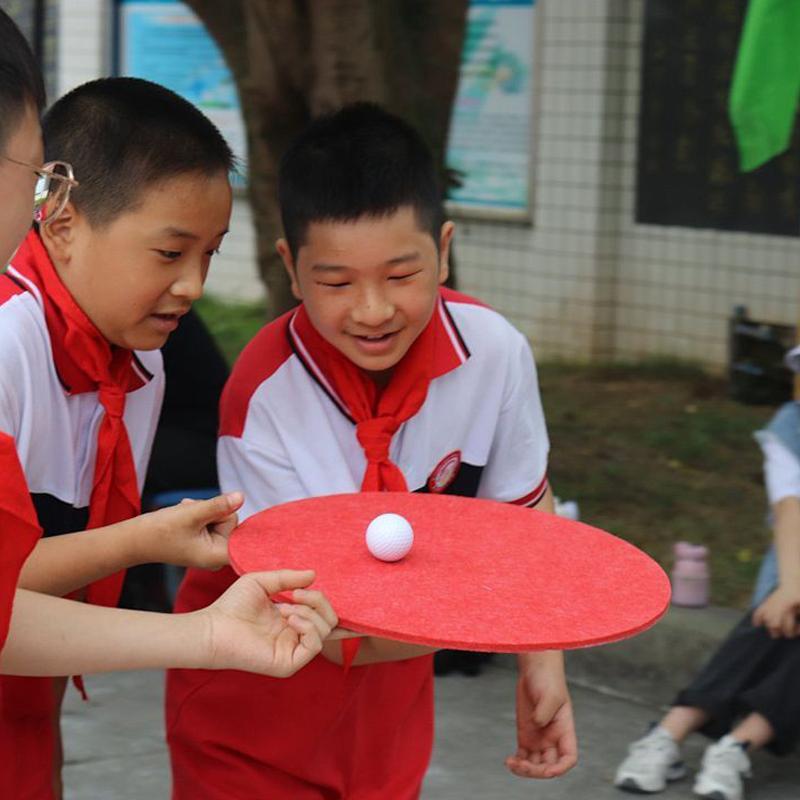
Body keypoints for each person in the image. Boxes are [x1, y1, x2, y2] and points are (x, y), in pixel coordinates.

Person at [166, 102, 578, 799]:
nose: (372, 310)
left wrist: (543, 666)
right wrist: (499, 618)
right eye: (336, 282)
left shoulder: (495, 353)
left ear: (443, 249)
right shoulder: (264, 394)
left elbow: (525, 522)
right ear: (291, 267)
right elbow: (308, 618)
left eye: (401, 275)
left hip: (391, 714)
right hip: (251, 712)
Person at [0, 17, 338, 795]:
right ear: (60, 219)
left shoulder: (141, 367)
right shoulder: (11, 343)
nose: (192, 284)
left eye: (208, 254)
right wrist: (142, 543)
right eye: (168, 252)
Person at [614, 356, 800, 800]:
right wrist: (793, 587)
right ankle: (675, 737)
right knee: (777, 613)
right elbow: (789, 508)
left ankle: (727, 742)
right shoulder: (791, 425)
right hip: (793, 566)